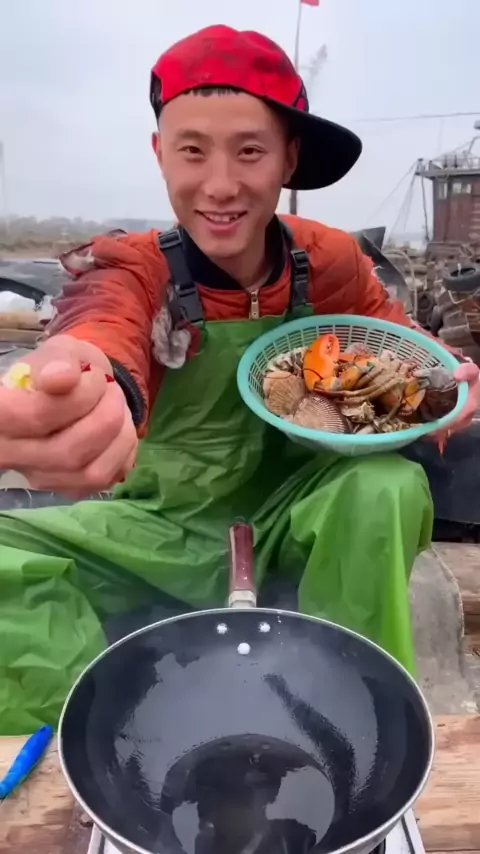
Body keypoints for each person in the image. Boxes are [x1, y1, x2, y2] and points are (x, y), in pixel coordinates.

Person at [0, 25, 478, 735]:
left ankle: (352, 722)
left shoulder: (332, 262)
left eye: (250, 151)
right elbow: (98, 328)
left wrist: (449, 383)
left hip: (299, 517)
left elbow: (405, 352)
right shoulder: (134, 267)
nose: (220, 186)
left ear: (289, 158)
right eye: (192, 150)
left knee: (386, 485)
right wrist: (79, 384)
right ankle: (104, 735)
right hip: (158, 530)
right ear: (160, 153)